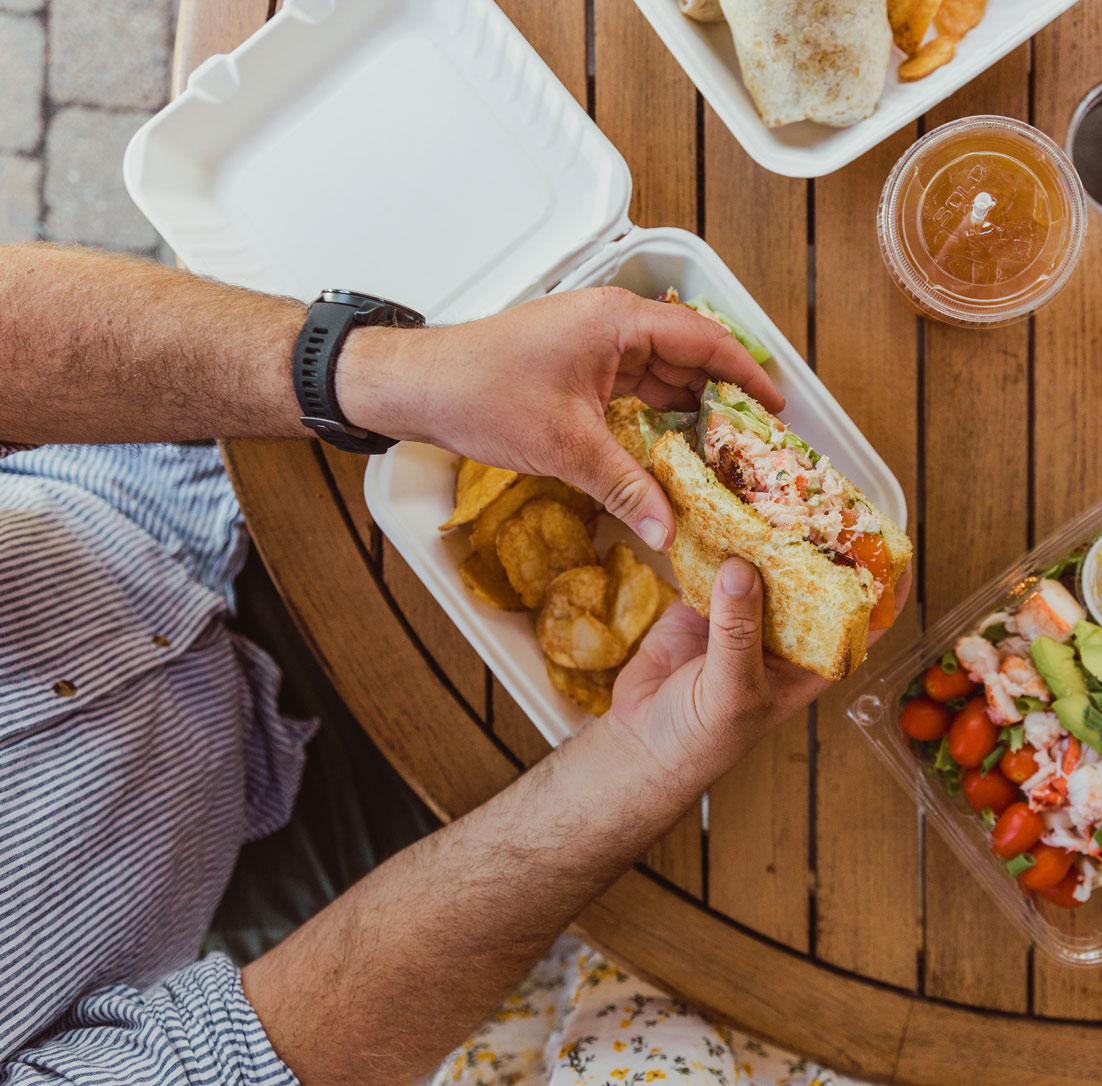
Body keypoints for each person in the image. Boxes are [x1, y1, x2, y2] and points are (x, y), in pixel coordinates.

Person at [0, 244, 907, 1086]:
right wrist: (638, 764)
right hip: (268, 834)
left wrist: (384, 370)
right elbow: (225, 1061)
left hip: (157, 450)